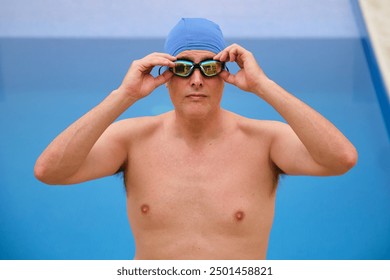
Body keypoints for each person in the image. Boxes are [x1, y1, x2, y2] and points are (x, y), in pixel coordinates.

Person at [34, 18, 358, 260]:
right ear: (166, 76)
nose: (198, 80)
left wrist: (263, 85)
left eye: (210, 68)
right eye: (184, 68)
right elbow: (50, 171)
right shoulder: (132, 139)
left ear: (225, 76)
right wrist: (124, 95)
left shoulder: (265, 141)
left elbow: (341, 158)